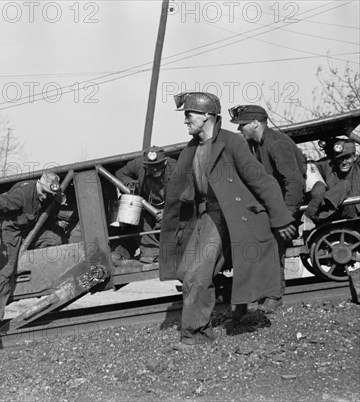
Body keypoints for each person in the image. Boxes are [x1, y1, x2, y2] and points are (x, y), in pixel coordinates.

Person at [159, 92, 296, 348]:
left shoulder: (231, 142)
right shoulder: (192, 148)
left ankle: (195, 335)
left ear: (206, 116)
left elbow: (261, 180)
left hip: (227, 215)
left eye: (189, 115)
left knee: (198, 274)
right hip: (204, 215)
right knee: (186, 273)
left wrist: (281, 217)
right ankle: (201, 328)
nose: (185, 121)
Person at [229, 104, 306, 313]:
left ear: (255, 123)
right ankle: (266, 295)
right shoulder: (258, 144)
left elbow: (294, 181)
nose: (239, 129)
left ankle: (274, 297)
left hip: (284, 208)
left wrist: (287, 216)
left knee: (274, 245)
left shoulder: (277, 144)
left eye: (242, 125)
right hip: (274, 206)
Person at [0, 172, 64, 342]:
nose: (45, 197)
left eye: (50, 194)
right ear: (39, 185)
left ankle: (42, 285)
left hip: (27, 229)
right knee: (6, 268)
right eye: (45, 193)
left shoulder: (49, 196)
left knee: (54, 239)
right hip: (8, 229)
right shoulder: (22, 194)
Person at [114, 145, 177, 263]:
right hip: (148, 207)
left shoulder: (175, 168)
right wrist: (130, 183)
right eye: (151, 166)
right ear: (145, 164)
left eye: (158, 165)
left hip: (171, 207)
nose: (154, 169)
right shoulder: (138, 165)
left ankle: (175, 252)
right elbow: (120, 173)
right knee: (136, 215)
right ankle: (152, 252)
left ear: (164, 162)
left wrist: (169, 212)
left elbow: (185, 196)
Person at [305, 139, 359, 222]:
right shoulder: (328, 165)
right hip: (332, 215)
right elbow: (309, 167)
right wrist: (317, 189)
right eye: (340, 158)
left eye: (348, 158)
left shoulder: (358, 167)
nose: (344, 162)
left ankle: (323, 206)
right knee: (321, 185)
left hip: (355, 214)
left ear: (355, 157)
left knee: (345, 184)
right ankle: (320, 208)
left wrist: (350, 134)